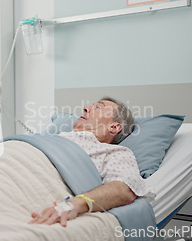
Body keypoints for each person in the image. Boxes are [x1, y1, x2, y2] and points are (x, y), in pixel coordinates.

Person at [29, 97, 155, 227]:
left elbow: (123, 189)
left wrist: (75, 204)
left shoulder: (114, 152)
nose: (85, 108)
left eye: (98, 107)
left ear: (114, 126)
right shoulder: (51, 139)